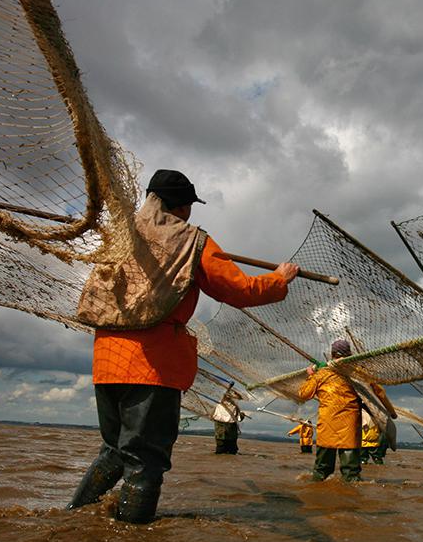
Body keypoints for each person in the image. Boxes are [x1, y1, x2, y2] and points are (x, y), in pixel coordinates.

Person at [67, 169, 299, 523]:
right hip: (152, 367)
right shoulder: (192, 241)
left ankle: (71, 519)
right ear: (185, 207)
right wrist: (279, 280)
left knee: (115, 451)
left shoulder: (122, 235)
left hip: (108, 361)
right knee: (145, 461)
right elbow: (238, 290)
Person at [297, 339, 367, 482]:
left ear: (332, 354)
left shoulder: (321, 374)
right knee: (351, 475)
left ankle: (320, 496)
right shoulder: (357, 371)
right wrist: (391, 413)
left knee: (321, 472)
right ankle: (352, 498)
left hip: (327, 424)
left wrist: (311, 375)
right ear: (349, 353)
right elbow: (376, 392)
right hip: (349, 425)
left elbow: (303, 394)